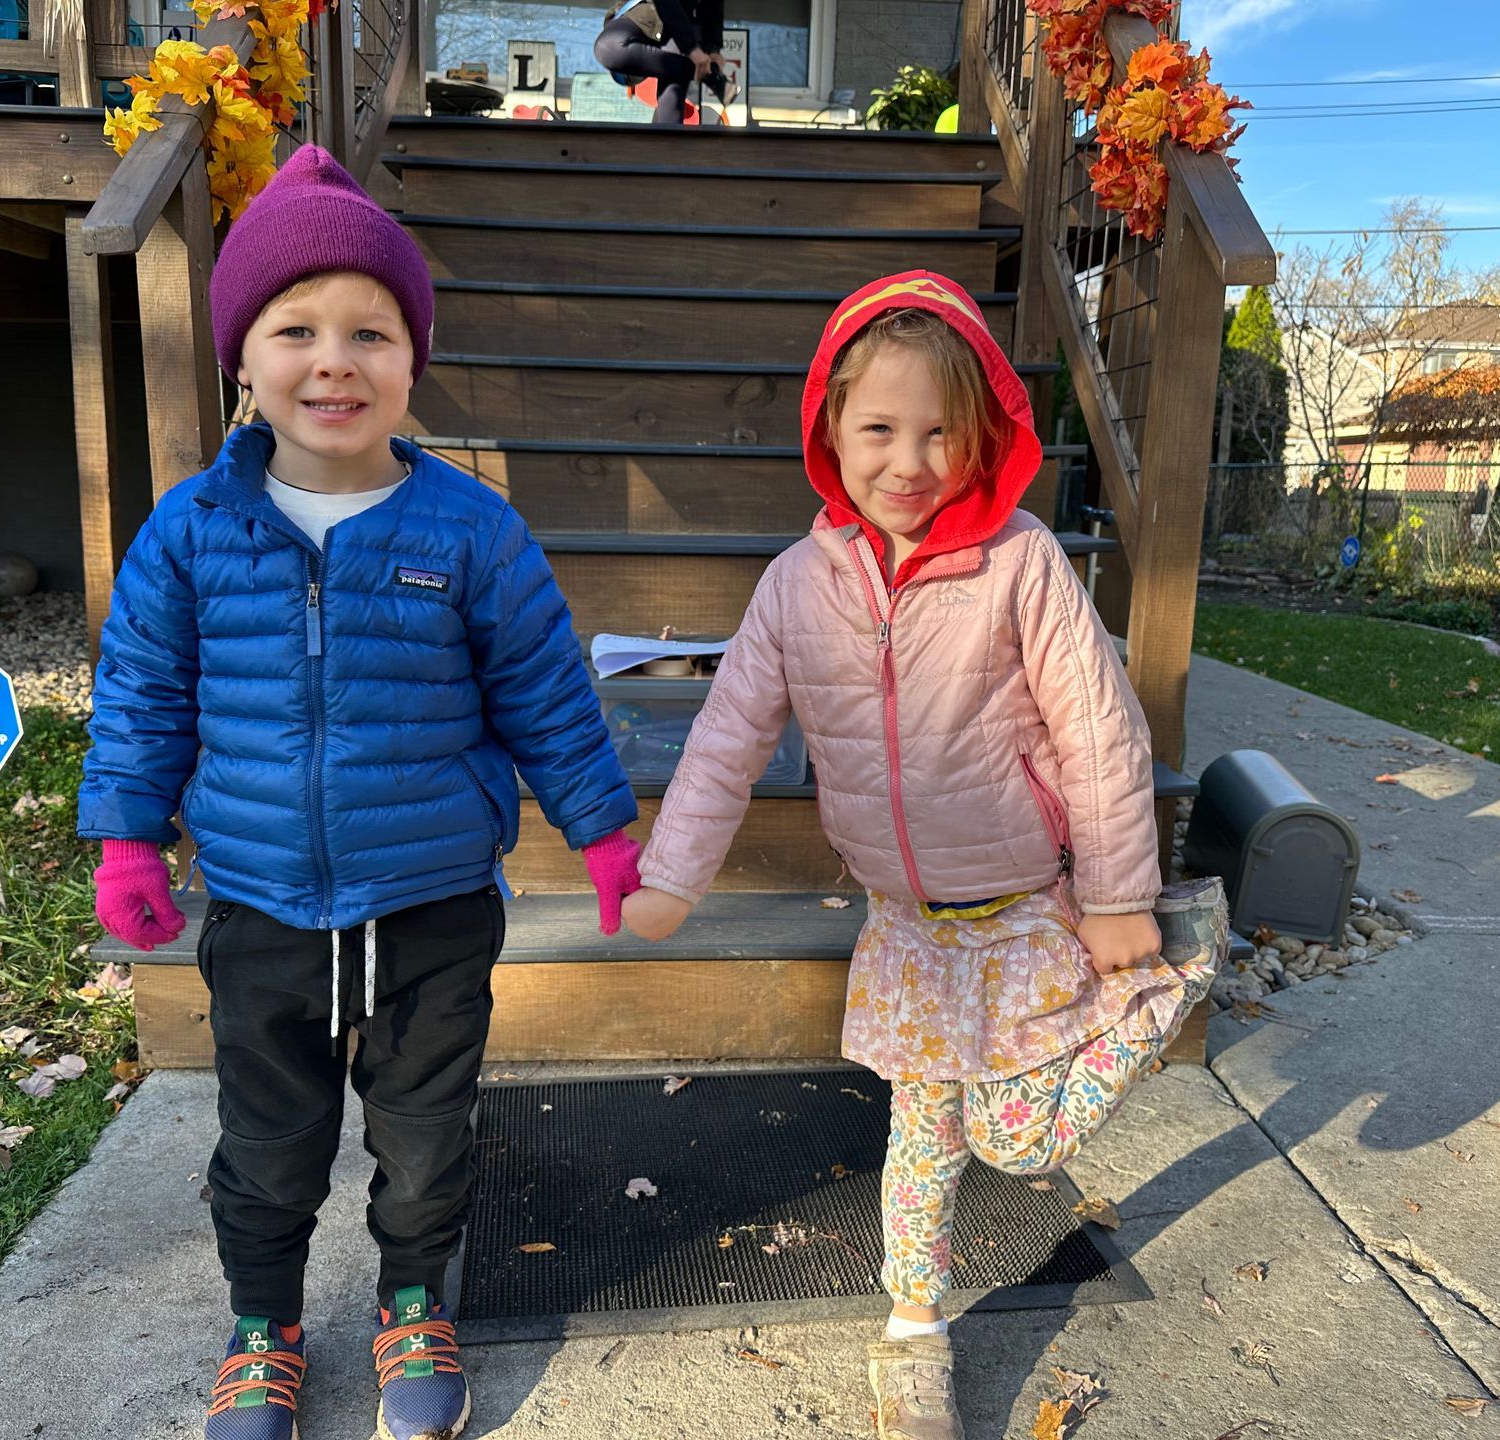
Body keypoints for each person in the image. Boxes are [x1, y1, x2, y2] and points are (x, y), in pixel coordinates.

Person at [76, 145, 645, 1440]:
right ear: (244, 356)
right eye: (297, 329)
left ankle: (413, 1302)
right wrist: (127, 841)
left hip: (432, 906)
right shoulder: (192, 531)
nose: (333, 361)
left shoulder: (471, 529)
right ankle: (262, 1325)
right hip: (263, 909)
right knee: (267, 1147)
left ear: (411, 361)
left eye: (370, 332)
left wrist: (603, 829)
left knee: (427, 1140)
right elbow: (142, 696)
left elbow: (546, 689)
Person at [620, 271, 1224, 1440]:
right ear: (830, 429)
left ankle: (1175, 961)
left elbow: (1100, 729)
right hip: (905, 924)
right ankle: (912, 1334)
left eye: (940, 432)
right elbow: (727, 737)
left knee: (1018, 1138)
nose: (909, 460)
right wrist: (673, 875)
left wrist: (1118, 894)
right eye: (880, 429)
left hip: (1027, 901)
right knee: (924, 1136)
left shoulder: (1021, 563)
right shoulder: (797, 588)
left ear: (982, 437)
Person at [594, 0, 733, 125]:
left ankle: (708, 74)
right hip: (646, 16)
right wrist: (693, 50)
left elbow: (713, 6)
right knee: (609, 48)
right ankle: (710, 76)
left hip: (681, 28)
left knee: (671, 103)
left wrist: (713, 48)